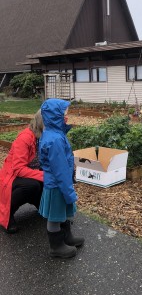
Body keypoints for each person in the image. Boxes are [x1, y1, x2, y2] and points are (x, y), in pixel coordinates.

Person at [38, 98, 84, 258]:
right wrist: (69, 191)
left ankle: (67, 237)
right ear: (54, 116)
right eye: (63, 114)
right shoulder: (55, 139)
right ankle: (56, 246)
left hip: (59, 183)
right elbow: (60, 170)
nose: (66, 117)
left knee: (61, 212)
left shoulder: (55, 133)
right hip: (57, 184)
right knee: (55, 216)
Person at [0, 110, 44, 233]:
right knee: (32, 185)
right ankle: (6, 214)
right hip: (12, 176)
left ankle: (42, 207)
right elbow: (18, 169)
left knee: (46, 181)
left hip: (31, 172)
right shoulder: (25, 138)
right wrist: (43, 175)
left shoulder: (44, 136)